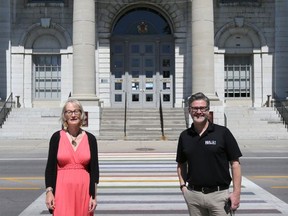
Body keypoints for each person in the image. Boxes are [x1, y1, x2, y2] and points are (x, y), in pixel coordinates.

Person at [176, 92, 242, 216]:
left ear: (208, 110)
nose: (199, 112)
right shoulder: (185, 136)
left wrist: (236, 193)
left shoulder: (223, 133)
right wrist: (183, 187)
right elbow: (181, 163)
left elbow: (235, 164)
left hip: (219, 197)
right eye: (195, 108)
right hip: (194, 197)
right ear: (189, 110)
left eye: (202, 108)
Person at [45, 98, 99, 215]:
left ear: (81, 114)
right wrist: (49, 192)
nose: (73, 115)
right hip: (62, 191)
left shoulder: (91, 139)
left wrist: (93, 196)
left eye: (76, 111)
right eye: (69, 112)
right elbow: (50, 168)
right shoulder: (56, 137)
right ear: (64, 116)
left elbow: (94, 171)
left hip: (84, 192)